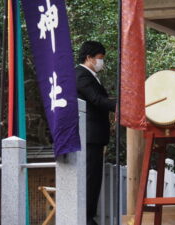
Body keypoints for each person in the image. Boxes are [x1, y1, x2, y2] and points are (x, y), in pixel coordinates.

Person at [76, 41, 116, 225]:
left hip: (95, 137)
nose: (101, 62)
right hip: (89, 136)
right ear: (89, 57)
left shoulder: (90, 76)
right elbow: (97, 100)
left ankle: (88, 216)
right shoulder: (81, 75)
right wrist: (120, 107)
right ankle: (85, 218)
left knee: (94, 178)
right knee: (90, 178)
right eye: (99, 58)